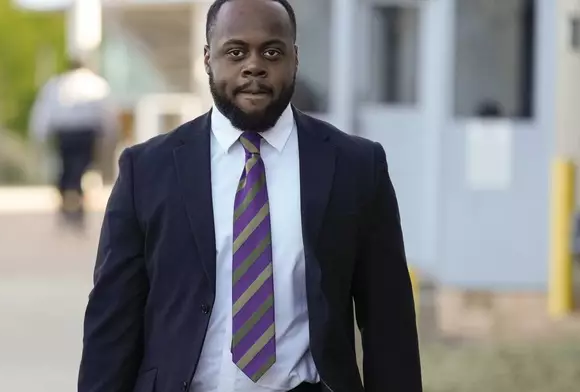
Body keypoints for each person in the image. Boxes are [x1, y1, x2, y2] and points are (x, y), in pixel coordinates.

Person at [78, 0, 422, 391]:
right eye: (236, 51)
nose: (254, 65)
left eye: (272, 52)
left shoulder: (356, 167)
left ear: (295, 58)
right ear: (208, 59)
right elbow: (112, 322)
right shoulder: (147, 171)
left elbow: (388, 322)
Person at [29, 59, 118, 228]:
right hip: (87, 132)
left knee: (66, 168)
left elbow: (44, 113)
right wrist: (110, 136)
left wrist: (39, 136)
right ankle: (76, 202)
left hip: (64, 133)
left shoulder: (57, 84)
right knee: (82, 168)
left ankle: (67, 200)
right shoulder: (96, 84)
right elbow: (107, 113)